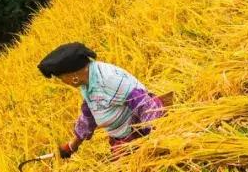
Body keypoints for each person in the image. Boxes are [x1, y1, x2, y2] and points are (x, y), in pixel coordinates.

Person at [38, 42, 167, 159]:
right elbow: (89, 115)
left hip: (138, 136)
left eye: (62, 78)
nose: (63, 82)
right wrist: (72, 145)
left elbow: (146, 106)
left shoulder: (108, 80)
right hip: (122, 140)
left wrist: (156, 143)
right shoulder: (88, 81)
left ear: (73, 76)